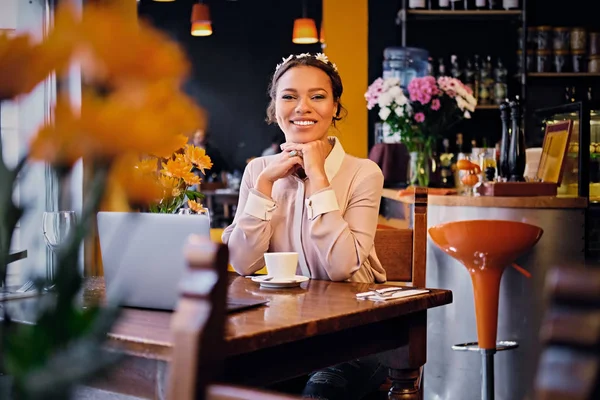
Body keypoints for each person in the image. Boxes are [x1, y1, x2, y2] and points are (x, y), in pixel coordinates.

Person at [222, 53, 387, 400]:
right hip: (279, 332)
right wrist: (264, 185)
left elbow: (341, 267)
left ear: (335, 107)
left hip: (354, 334)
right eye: (289, 96)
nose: (303, 107)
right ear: (274, 107)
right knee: (226, 380)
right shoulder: (257, 172)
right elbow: (242, 262)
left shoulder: (364, 173)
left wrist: (318, 176)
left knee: (321, 391)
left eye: (317, 96)